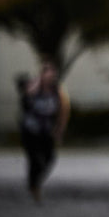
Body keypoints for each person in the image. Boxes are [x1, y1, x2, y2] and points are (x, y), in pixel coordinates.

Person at [19, 60, 70, 202]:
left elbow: (63, 111)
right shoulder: (34, 87)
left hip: (46, 131)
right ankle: (33, 185)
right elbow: (26, 98)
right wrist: (35, 84)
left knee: (49, 158)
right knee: (34, 159)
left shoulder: (56, 91)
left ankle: (35, 183)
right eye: (47, 72)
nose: (50, 75)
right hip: (30, 131)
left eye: (52, 72)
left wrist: (59, 130)